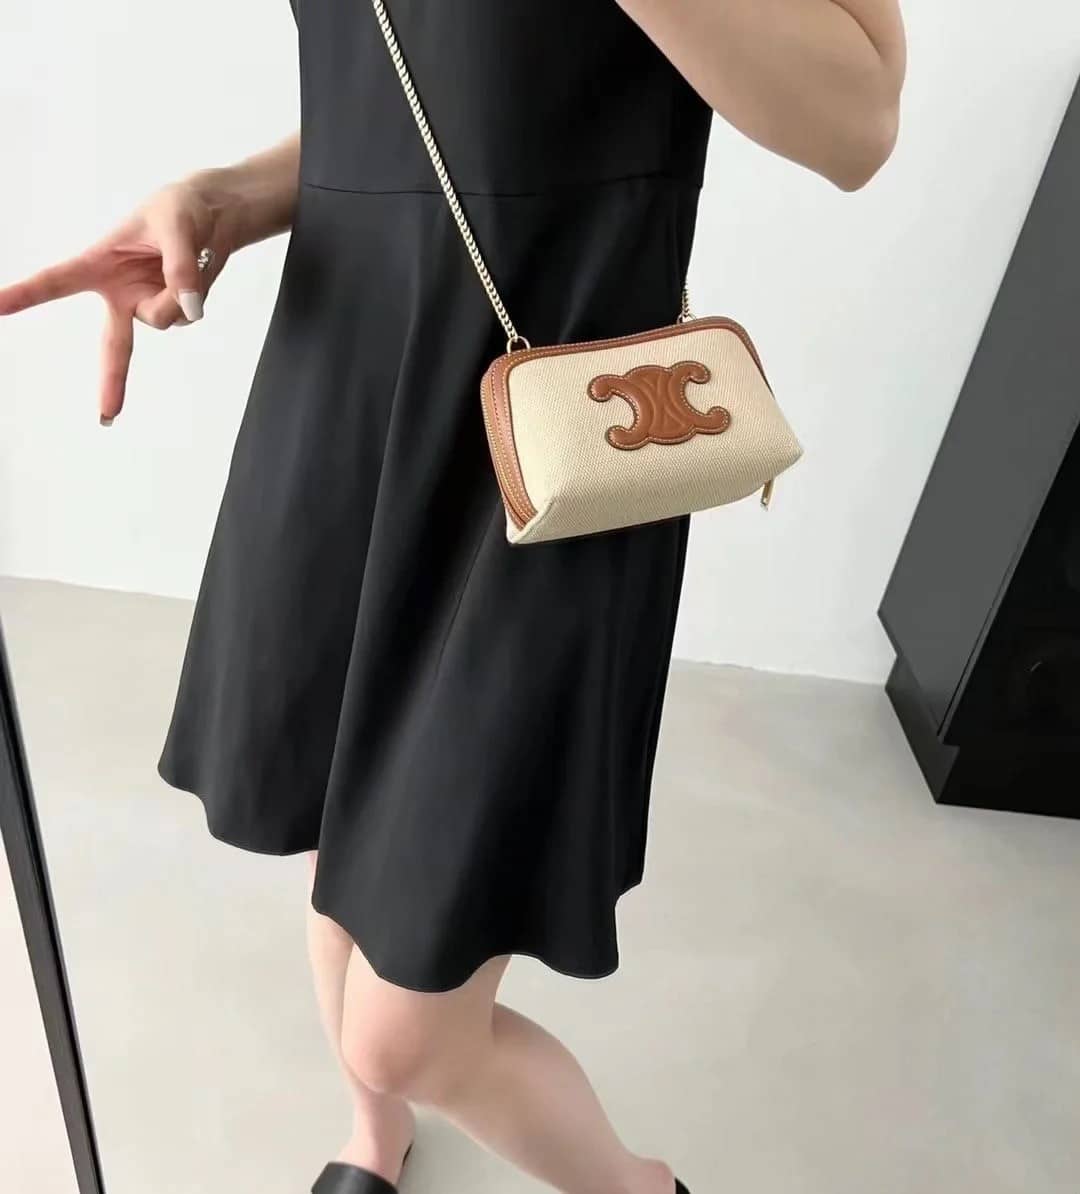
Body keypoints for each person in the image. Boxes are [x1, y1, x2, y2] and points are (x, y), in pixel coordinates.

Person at [0, 2, 906, 1192]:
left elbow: (856, 120)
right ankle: (373, 1136)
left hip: (545, 444)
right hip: (342, 398)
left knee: (409, 1024)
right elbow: (446, 84)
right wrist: (232, 194)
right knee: (342, 819)